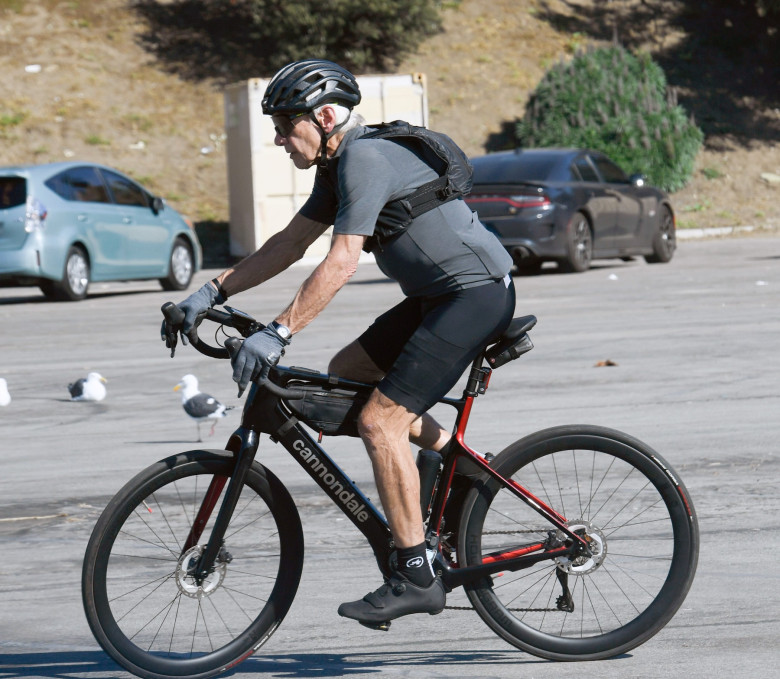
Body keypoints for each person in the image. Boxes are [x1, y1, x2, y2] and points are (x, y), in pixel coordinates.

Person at [163, 59, 515, 626]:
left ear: (325, 117)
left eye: (285, 125)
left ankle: (416, 574)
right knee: (347, 371)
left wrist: (279, 332)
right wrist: (208, 293)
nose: (280, 139)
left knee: (381, 422)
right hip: (438, 297)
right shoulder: (336, 167)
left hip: (473, 295)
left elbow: (343, 259)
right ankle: (460, 461)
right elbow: (288, 243)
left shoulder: (364, 158)